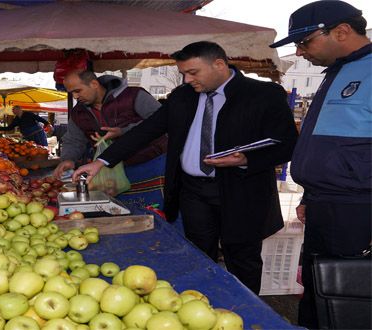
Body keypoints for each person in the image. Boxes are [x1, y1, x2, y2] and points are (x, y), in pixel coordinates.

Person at [74, 41, 299, 294]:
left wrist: (247, 159)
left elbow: (287, 144)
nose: (187, 79)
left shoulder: (263, 94)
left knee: (242, 258)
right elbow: (147, 131)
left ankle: (245, 311)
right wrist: (102, 161)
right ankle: (202, 304)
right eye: (183, 73)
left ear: (219, 64)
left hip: (241, 191)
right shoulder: (183, 96)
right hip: (193, 192)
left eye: (193, 72)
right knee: (198, 255)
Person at [270, 2, 371, 328]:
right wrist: (309, 196)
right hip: (325, 208)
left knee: (352, 296)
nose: (299, 53)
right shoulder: (339, 71)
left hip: (359, 212)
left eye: (304, 42)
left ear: (341, 31)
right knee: (320, 288)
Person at [52, 70, 166, 178]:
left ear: (94, 84)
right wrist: (68, 159)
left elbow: (163, 121)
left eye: (77, 91)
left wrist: (123, 131)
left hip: (154, 162)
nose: (75, 97)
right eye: (71, 93)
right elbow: (73, 140)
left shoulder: (134, 95)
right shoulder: (78, 113)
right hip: (113, 171)